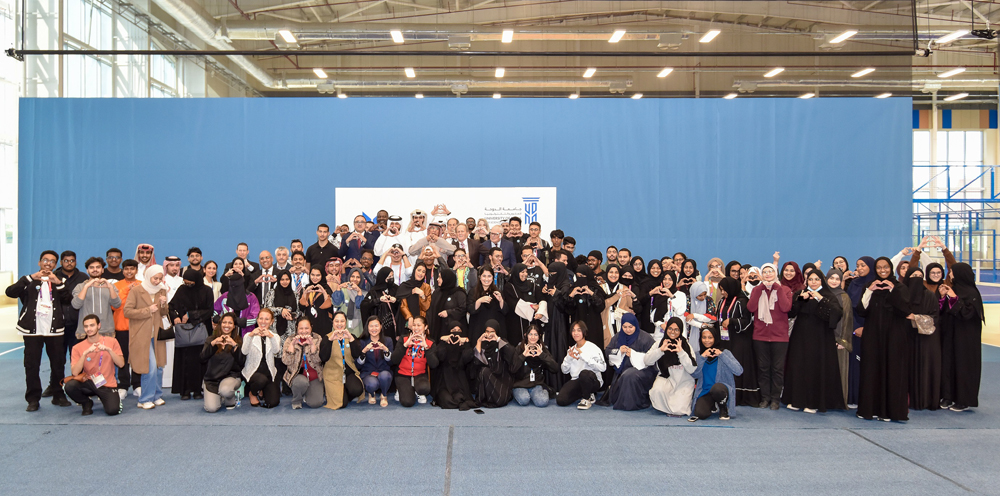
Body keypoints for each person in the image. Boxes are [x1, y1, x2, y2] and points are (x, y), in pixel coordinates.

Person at [7, 251, 72, 410]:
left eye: (52, 261)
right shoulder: (28, 280)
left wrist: (57, 282)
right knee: (31, 365)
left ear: (55, 265)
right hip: (32, 330)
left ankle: (58, 395)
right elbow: (10, 292)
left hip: (54, 330)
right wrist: (30, 278)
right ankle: (33, 399)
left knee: (58, 364)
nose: (48, 263)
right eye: (45, 260)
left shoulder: (60, 281)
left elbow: (68, 300)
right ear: (39, 262)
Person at [856, 257, 912, 422]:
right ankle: (869, 409)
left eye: (886, 267)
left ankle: (890, 411)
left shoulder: (900, 287)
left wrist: (893, 290)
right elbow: (861, 311)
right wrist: (869, 291)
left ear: (891, 268)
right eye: (879, 267)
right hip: (872, 337)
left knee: (893, 371)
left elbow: (905, 310)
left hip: (894, 337)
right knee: (871, 371)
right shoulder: (870, 286)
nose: (882, 270)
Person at [781, 270, 845, 413]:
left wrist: (820, 298)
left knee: (815, 367)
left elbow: (837, 313)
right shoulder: (801, 293)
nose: (813, 282)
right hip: (800, 337)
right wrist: (800, 299)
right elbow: (791, 312)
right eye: (811, 279)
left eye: (816, 279)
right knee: (798, 366)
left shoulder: (828, 295)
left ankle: (814, 402)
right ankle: (796, 400)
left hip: (821, 338)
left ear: (822, 280)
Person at [939, 262, 985, 412]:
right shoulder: (953, 289)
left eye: (952, 271)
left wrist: (954, 298)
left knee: (963, 365)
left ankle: (963, 400)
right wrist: (942, 297)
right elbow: (943, 312)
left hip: (966, 338)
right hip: (950, 334)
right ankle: (948, 395)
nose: (950, 274)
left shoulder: (972, 293)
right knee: (948, 363)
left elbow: (967, 314)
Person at [746, 263, 792, 410]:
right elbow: (751, 308)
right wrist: (760, 288)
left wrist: (777, 288)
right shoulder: (757, 290)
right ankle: (765, 398)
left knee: (777, 369)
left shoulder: (784, 289)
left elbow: (786, 307)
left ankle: (775, 399)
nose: (768, 274)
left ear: (776, 273)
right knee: (763, 368)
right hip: (760, 336)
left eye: (771, 271)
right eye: (765, 272)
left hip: (780, 337)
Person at [123, 265, 170, 410]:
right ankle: (145, 399)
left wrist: (163, 304)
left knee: (159, 366)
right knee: (150, 367)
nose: (157, 281)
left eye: (160, 278)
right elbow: (127, 311)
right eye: (155, 278)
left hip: (157, 334)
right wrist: (147, 310)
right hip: (141, 334)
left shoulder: (161, 290)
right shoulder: (137, 290)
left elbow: (164, 313)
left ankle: (156, 395)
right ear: (148, 276)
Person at [64, 314, 124, 415]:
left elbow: (121, 364)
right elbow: (75, 372)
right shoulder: (77, 347)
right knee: (70, 386)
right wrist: (84, 354)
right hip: (89, 382)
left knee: (113, 411)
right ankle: (86, 403)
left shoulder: (112, 341)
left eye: (92, 325)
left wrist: (109, 350)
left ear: (99, 326)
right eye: (86, 326)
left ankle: (111, 398)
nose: (89, 329)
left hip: (107, 384)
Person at [170, 268, 216, 400]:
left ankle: (197, 390)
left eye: (190, 282)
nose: (188, 285)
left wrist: (191, 314)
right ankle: (184, 390)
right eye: (186, 282)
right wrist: (175, 317)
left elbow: (209, 310)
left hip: (201, 330)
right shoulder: (182, 290)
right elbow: (171, 306)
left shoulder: (206, 291)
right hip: (184, 331)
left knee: (199, 360)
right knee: (184, 360)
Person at [902, 267, 941, 411]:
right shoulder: (901, 294)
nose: (917, 279)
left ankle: (923, 400)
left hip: (924, 341)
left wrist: (916, 318)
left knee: (923, 368)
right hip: (904, 338)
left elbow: (935, 318)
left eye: (920, 276)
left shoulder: (929, 296)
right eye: (914, 276)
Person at [600, 312, 657, 410]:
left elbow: (653, 356)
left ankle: (631, 404)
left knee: (629, 375)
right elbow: (608, 351)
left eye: (630, 327)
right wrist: (619, 351)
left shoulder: (646, 338)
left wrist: (634, 354)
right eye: (624, 327)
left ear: (635, 325)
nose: (627, 330)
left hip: (644, 371)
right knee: (616, 393)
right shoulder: (618, 337)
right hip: (621, 372)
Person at [716, 277, 758, 407]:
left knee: (737, 364)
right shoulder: (722, 301)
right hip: (725, 339)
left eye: (724, 290)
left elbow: (748, 321)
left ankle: (740, 396)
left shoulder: (742, 301)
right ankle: (726, 394)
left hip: (740, 339)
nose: (723, 292)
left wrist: (732, 321)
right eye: (721, 290)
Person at [645, 317, 697, 416]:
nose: (673, 332)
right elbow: (647, 361)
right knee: (656, 391)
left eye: (676, 330)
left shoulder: (686, 345)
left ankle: (674, 405)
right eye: (670, 328)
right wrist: (660, 350)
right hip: (666, 378)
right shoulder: (659, 343)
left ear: (681, 331)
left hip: (683, 381)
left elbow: (692, 369)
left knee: (679, 410)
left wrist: (681, 352)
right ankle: (668, 406)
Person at [688, 327, 743, 422]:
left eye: (710, 337)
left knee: (717, 388)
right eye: (704, 337)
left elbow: (738, 371)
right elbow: (694, 374)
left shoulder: (725, 352)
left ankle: (723, 407)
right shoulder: (698, 354)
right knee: (701, 414)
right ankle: (712, 405)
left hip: (721, 390)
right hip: (706, 391)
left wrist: (721, 355)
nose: (707, 340)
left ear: (715, 338)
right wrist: (702, 357)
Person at [845, 256, 876, 408]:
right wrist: (856, 327)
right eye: (858, 266)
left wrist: (866, 328)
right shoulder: (854, 284)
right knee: (855, 364)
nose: (859, 268)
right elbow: (849, 308)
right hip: (855, 330)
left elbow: (876, 310)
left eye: (863, 265)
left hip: (872, 330)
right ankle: (854, 397)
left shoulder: (876, 284)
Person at [556, 321, 607, 409]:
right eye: (573, 330)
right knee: (561, 400)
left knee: (584, 373)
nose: (576, 333)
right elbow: (564, 371)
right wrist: (569, 358)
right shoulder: (571, 350)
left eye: (579, 330)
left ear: (584, 332)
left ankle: (586, 398)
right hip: (577, 381)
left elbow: (603, 368)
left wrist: (583, 356)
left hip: (593, 380)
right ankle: (586, 393)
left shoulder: (593, 348)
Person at [320, 312, 365, 410]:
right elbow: (323, 358)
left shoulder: (351, 336)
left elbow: (357, 355)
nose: (339, 324)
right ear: (333, 323)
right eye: (336, 321)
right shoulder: (327, 338)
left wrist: (351, 339)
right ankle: (338, 392)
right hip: (333, 374)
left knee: (357, 389)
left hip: (348, 372)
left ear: (345, 323)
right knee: (342, 404)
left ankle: (344, 390)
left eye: (342, 321)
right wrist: (330, 341)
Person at [429, 319, 478, 410]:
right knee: (446, 400)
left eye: (459, 331)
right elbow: (440, 357)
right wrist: (442, 341)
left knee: (460, 397)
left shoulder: (464, 344)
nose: (456, 333)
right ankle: (457, 402)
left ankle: (459, 401)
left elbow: (467, 358)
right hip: (444, 381)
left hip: (459, 381)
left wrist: (466, 343)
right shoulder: (443, 343)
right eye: (453, 330)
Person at [111, 259, 143, 399]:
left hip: (138, 327)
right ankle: (123, 385)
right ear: (122, 271)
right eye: (126, 269)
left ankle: (137, 384)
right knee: (122, 357)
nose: (129, 271)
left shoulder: (142, 285)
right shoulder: (116, 286)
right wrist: (126, 290)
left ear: (136, 270)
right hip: (121, 327)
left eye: (132, 269)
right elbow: (114, 305)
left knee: (137, 356)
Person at [201, 313, 244, 412]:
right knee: (211, 408)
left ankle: (229, 398)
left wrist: (234, 345)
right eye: (224, 322)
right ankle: (216, 394)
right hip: (212, 379)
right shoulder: (211, 339)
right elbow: (202, 359)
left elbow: (242, 362)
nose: (227, 325)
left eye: (230, 323)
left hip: (231, 377)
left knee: (225, 390)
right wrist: (213, 344)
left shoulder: (238, 341)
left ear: (234, 326)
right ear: (220, 324)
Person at [391, 316, 437, 407]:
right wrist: (405, 345)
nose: (416, 328)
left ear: (425, 327)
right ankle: (401, 390)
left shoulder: (430, 342)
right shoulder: (404, 339)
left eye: (419, 325)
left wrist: (426, 348)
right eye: (414, 325)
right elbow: (394, 360)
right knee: (407, 402)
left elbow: (434, 364)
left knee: (424, 389)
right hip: (403, 374)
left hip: (420, 374)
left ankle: (416, 390)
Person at [557, 266, 605, 351]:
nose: (580, 279)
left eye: (582, 276)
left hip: (593, 325)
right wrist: (571, 296)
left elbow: (600, 306)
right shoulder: (573, 289)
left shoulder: (596, 289)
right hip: (577, 323)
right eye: (578, 276)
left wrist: (591, 294)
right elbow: (568, 310)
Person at [71, 257, 121, 337]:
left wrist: (110, 288)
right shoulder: (80, 287)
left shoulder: (110, 286)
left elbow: (117, 305)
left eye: (98, 267)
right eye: (91, 267)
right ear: (87, 270)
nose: (95, 270)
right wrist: (86, 286)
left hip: (107, 331)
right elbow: (76, 305)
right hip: (85, 332)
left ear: (102, 270)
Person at [282, 317, 325, 409]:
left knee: (315, 403)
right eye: (301, 328)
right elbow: (286, 361)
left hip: (314, 375)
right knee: (301, 383)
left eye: (306, 328)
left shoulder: (317, 338)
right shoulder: (290, 339)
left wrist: (312, 345)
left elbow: (319, 360)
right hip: (298, 375)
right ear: (296, 328)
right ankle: (297, 400)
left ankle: (307, 393)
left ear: (311, 327)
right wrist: (292, 345)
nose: (304, 331)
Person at [510, 324, 558, 407]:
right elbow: (512, 369)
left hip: (536, 384)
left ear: (539, 336)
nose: (533, 337)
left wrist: (542, 355)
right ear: (526, 335)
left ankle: (544, 391)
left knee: (542, 402)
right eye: (530, 334)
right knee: (524, 400)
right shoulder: (519, 348)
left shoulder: (542, 349)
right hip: (520, 385)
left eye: (535, 334)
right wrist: (523, 355)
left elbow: (555, 368)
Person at [470, 319, 515, 407]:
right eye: (487, 331)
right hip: (487, 376)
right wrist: (479, 341)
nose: (489, 334)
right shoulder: (483, 343)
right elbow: (476, 362)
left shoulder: (502, 341)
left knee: (501, 400)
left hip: (501, 378)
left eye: (492, 331)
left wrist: (498, 339)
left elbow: (511, 353)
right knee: (484, 371)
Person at [241, 308, 281, 408]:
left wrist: (270, 336)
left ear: (271, 322)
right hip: (253, 372)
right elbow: (244, 351)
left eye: (267, 319)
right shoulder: (248, 335)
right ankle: (253, 393)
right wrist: (251, 335)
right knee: (261, 380)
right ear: (257, 319)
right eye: (261, 318)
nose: (263, 321)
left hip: (269, 372)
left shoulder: (275, 336)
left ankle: (262, 389)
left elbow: (276, 351)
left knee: (273, 402)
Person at [352, 316, 393, 407]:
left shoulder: (388, 340)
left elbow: (391, 363)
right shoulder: (361, 342)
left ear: (381, 326)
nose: (374, 329)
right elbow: (357, 366)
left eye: (376, 326)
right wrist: (364, 352)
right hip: (368, 373)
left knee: (385, 376)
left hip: (384, 371)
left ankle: (384, 395)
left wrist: (386, 350)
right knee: (372, 383)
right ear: (367, 327)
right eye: (371, 326)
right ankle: (371, 393)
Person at [55, 250, 87, 367]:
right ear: (61, 262)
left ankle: (78, 378)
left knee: (78, 358)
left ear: (76, 262)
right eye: (66, 261)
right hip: (58, 324)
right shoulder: (53, 277)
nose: (69, 263)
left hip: (77, 324)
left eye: (72, 261)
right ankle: (57, 379)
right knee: (58, 359)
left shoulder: (83, 278)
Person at [502, 263, 544, 347]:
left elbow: (541, 300)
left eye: (526, 272)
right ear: (516, 273)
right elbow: (512, 303)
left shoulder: (532, 286)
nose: (525, 274)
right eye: (522, 272)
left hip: (531, 322)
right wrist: (532, 306)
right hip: (515, 323)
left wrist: (540, 308)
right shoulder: (509, 286)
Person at [468, 266, 507, 342]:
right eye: (484, 276)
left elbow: (505, 311)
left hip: (494, 330)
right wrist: (479, 301)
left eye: (489, 276)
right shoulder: (473, 292)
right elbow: (470, 310)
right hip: (478, 328)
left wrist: (501, 300)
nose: (486, 279)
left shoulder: (497, 292)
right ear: (480, 277)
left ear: (492, 277)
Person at [427, 269, 468, 340]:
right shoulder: (437, 292)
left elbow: (463, 308)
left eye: (440, 277)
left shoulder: (458, 293)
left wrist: (448, 312)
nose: (437, 279)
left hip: (455, 329)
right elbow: (431, 309)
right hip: (439, 328)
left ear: (447, 279)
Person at [600, 265, 634, 346]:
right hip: (605, 323)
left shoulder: (624, 288)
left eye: (616, 272)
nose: (614, 275)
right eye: (611, 272)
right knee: (608, 347)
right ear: (607, 274)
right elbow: (601, 305)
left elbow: (631, 306)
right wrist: (616, 295)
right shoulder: (601, 288)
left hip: (621, 323)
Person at [332, 268, 368, 338]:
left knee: (355, 342)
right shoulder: (343, 290)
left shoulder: (364, 293)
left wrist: (359, 292)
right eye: (352, 276)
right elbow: (336, 303)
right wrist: (339, 288)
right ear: (349, 277)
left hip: (357, 325)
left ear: (361, 279)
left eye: (358, 277)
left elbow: (360, 306)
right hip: (341, 323)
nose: (355, 279)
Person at [398, 264, 432, 333]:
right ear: (414, 271)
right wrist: (409, 317)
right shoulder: (404, 286)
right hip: (405, 320)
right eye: (419, 270)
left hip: (420, 322)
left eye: (423, 272)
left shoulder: (426, 287)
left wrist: (422, 295)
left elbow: (426, 307)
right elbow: (402, 305)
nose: (421, 273)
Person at [299, 267, 333, 335]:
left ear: (322, 276)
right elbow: (301, 308)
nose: (315, 277)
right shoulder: (306, 288)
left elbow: (331, 308)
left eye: (318, 275)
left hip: (324, 323)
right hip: (309, 325)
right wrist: (305, 293)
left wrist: (324, 293)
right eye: (312, 275)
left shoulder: (327, 289)